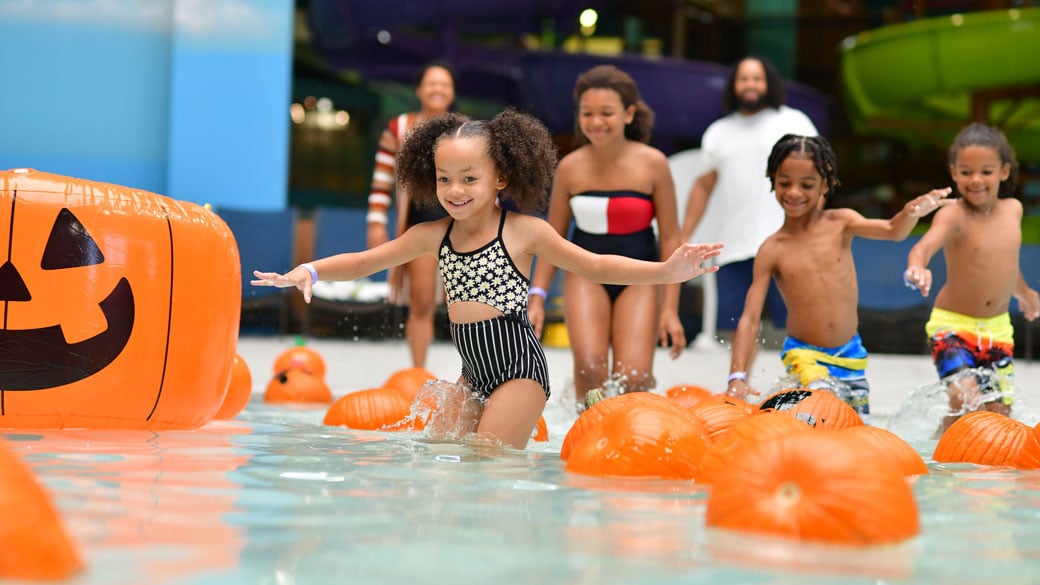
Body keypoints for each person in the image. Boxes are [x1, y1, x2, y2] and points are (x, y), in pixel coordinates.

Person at [254, 109, 723, 449]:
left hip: (518, 371)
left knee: (486, 465)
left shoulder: (523, 232)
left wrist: (666, 272)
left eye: (469, 178)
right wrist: (309, 270)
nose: (454, 191)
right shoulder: (431, 234)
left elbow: (595, 265)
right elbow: (364, 261)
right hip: (472, 372)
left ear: (500, 177)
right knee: (436, 455)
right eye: (444, 178)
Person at [724, 134, 953, 422]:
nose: (794, 192)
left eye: (806, 184)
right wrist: (737, 374)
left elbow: (894, 231)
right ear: (772, 179)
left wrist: (910, 212)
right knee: (824, 408)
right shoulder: (773, 249)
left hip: (851, 355)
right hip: (804, 355)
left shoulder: (841, 223)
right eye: (784, 183)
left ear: (826, 183)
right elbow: (750, 318)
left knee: (854, 428)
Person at [527, 64, 687, 407]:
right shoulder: (569, 167)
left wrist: (670, 309)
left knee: (634, 378)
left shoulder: (654, 164)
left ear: (629, 113)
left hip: (639, 277)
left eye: (606, 113)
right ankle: (587, 434)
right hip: (586, 275)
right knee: (589, 368)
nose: (596, 121)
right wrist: (537, 295)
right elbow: (550, 237)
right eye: (587, 113)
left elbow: (671, 239)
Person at [904, 123, 1040, 432]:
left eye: (986, 172)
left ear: (1004, 172)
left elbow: (1006, 264)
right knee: (966, 399)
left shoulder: (1013, 210)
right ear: (953, 172)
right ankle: (942, 458)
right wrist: (917, 267)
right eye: (966, 172)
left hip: (997, 330)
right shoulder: (952, 215)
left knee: (999, 413)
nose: (975, 180)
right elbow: (923, 248)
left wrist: (1025, 293)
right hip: (952, 326)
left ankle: (947, 442)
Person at [679, 56, 818, 350]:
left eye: (757, 78)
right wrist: (685, 233)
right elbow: (703, 185)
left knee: (800, 324)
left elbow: (818, 175)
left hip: (787, 242)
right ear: (734, 86)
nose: (750, 85)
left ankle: (802, 387)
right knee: (735, 328)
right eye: (744, 79)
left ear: (768, 83)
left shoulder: (794, 121)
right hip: (734, 244)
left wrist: (815, 228)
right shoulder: (718, 131)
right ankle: (741, 386)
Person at [366, 60, 456, 369]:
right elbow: (381, 180)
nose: (438, 89)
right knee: (421, 302)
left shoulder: (465, 129)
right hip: (419, 221)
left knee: (469, 305)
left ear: (452, 92)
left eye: (444, 84)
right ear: (418, 90)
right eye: (431, 83)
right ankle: (418, 372)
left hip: (462, 225)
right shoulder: (399, 127)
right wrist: (377, 222)